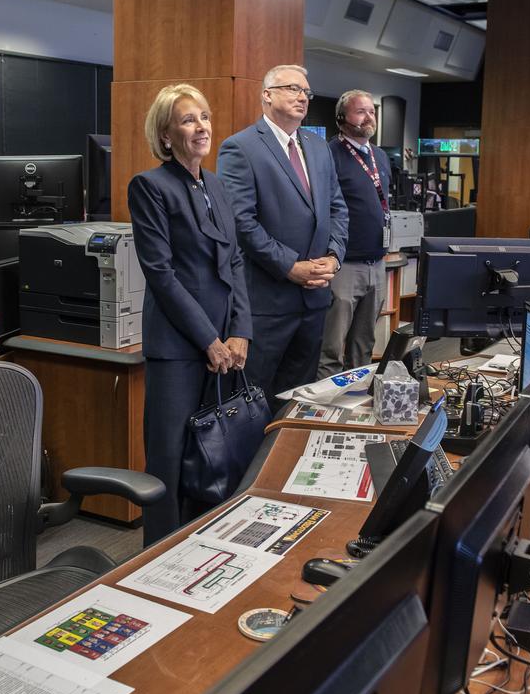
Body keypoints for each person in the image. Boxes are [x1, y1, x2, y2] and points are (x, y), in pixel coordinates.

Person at [129, 84, 251, 545]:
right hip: (180, 348)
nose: (201, 127)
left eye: (204, 116)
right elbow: (161, 274)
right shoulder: (150, 187)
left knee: (215, 453)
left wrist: (240, 332)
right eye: (187, 119)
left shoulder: (216, 184)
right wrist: (209, 340)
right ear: (165, 134)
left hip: (226, 344)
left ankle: (204, 543)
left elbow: (235, 262)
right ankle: (158, 555)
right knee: (169, 458)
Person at [217, 64, 348, 400]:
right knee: (253, 399)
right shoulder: (241, 147)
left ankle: (285, 453)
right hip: (268, 303)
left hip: (314, 300)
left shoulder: (319, 148)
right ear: (267, 95)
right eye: (293, 88)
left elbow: (337, 208)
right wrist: (291, 266)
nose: (302, 97)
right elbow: (242, 223)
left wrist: (334, 257)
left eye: (306, 92)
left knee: (298, 397)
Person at [318, 89, 392, 378]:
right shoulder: (329, 154)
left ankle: (356, 403)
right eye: (360, 111)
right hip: (345, 265)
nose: (368, 117)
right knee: (332, 347)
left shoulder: (380, 156)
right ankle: (326, 411)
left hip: (377, 262)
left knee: (364, 344)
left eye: (371, 111)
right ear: (341, 118)